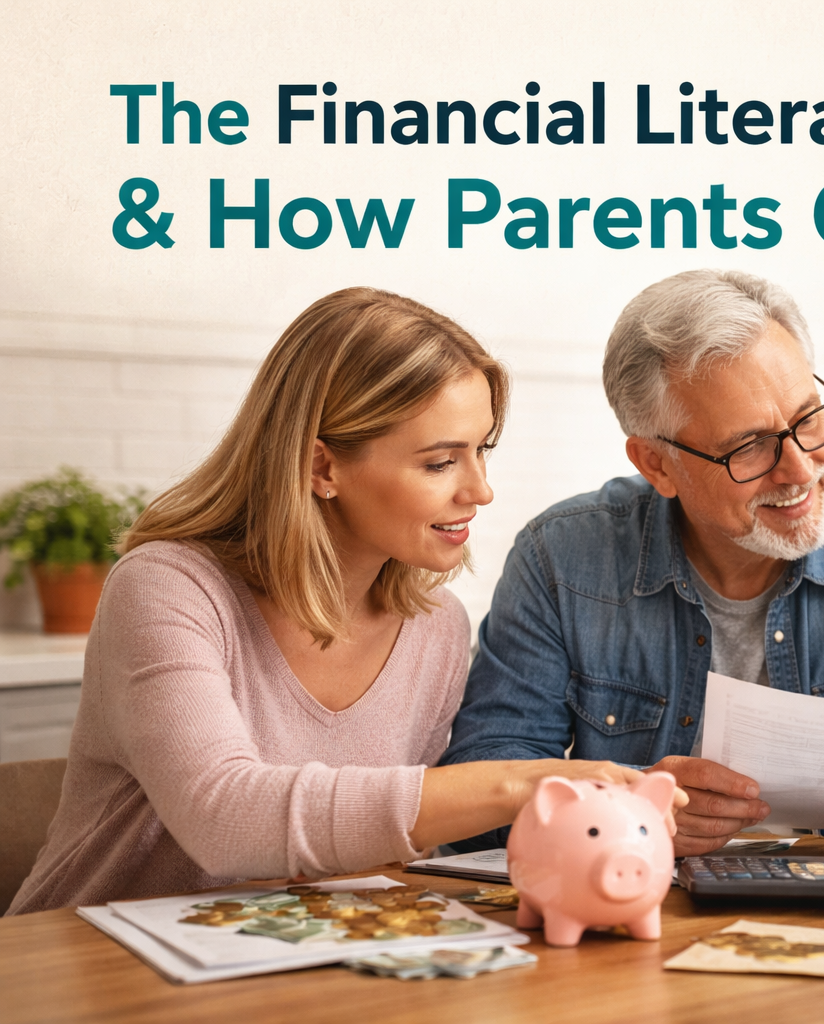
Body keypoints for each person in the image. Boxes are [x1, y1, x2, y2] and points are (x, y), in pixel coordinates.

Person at [8, 288, 672, 915]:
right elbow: (225, 820)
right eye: (440, 463)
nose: (480, 490)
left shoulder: (435, 627)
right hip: (85, 970)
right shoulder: (168, 590)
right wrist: (524, 783)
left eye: (481, 452)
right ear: (322, 467)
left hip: (286, 966)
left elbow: (371, 852)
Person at [443, 269, 824, 868]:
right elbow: (487, 773)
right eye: (749, 445)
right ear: (657, 464)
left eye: (809, 418)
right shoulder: (561, 559)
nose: (801, 470)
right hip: (638, 907)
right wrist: (630, 811)